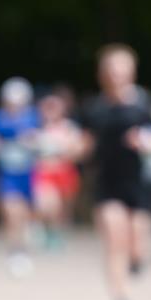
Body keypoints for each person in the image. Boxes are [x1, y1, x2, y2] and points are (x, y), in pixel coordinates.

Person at [79, 44, 151, 300]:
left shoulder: (149, 105)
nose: (117, 75)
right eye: (111, 70)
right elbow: (83, 145)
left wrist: (147, 143)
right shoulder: (94, 109)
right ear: (102, 74)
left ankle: (137, 259)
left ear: (132, 72)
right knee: (114, 239)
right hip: (107, 184)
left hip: (141, 185)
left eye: (122, 70)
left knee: (137, 245)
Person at [0, 77, 41, 277]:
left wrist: (32, 142)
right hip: (6, 173)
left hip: (29, 172)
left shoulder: (34, 117)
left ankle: (25, 244)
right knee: (10, 211)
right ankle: (15, 252)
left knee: (25, 213)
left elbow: (42, 141)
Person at [33, 86, 85, 250]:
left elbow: (79, 149)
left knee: (62, 208)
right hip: (44, 173)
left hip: (64, 172)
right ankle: (43, 228)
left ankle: (55, 233)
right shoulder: (36, 128)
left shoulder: (69, 128)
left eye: (54, 107)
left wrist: (68, 149)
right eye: (47, 107)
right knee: (46, 204)